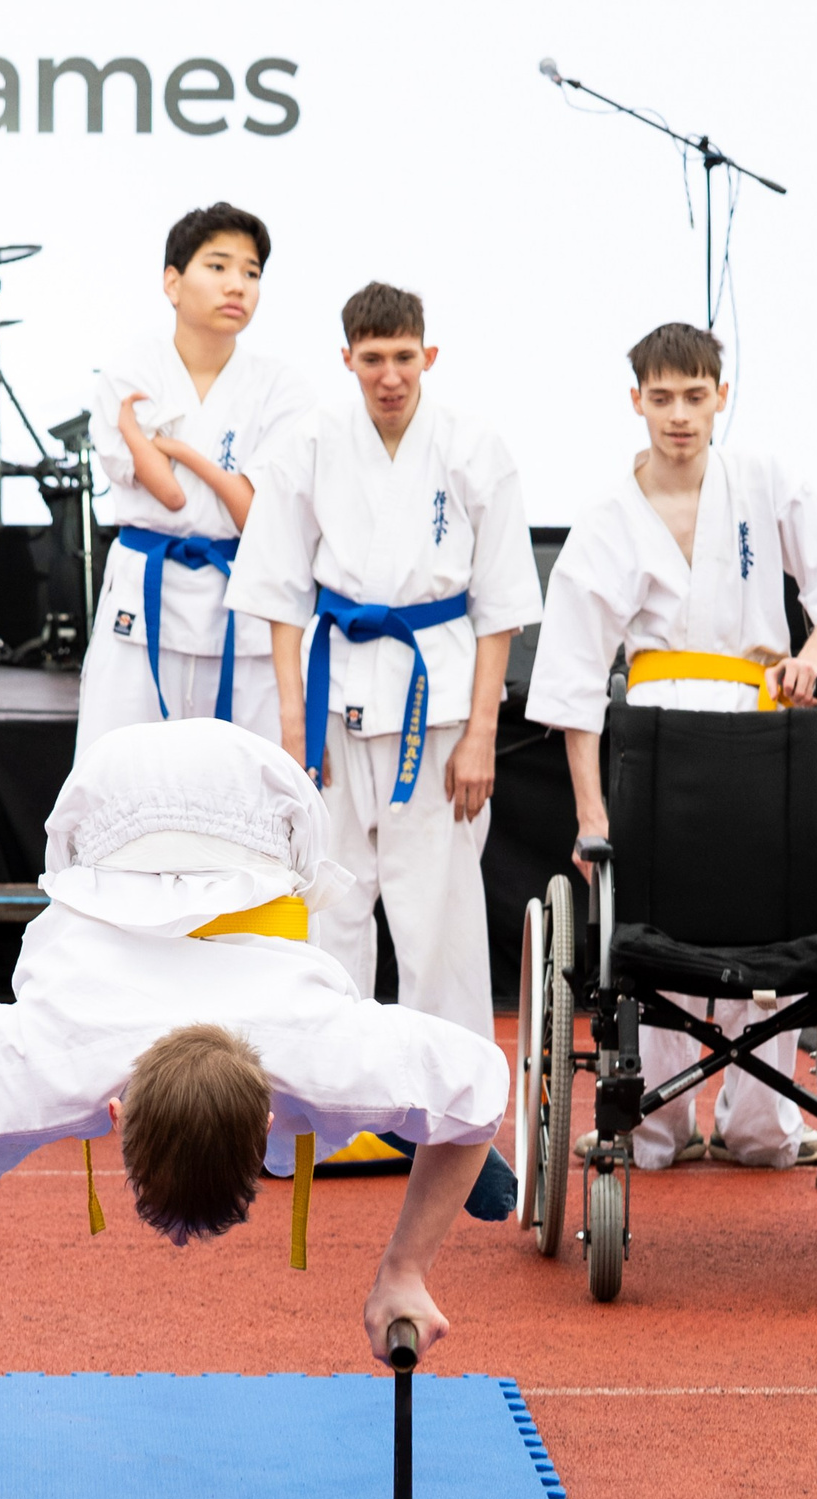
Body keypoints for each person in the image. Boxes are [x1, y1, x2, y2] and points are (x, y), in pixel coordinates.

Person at [0, 718, 516, 1366]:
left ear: (115, 1117)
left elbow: (476, 1087)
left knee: (399, 1088)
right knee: (395, 1093)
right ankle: (428, 1128)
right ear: (120, 1116)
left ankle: (429, 1126)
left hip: (239, 807)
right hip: (117, 814)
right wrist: (403, 1270)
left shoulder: (303, 1048)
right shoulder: (68, 1060)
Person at [524, 322, 817, 1170]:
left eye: (694, 396)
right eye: (661, 398)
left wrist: (809, 660)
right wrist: (588, 813)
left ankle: (764, 1127)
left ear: (722, 397)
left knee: (769, 916)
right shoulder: (609, 516)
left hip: (764, 723)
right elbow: (574, 680)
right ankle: (657, 1122)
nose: (678, 415)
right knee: (662, 928)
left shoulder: (765, 481)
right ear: (635, 401)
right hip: (656, 732)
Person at [227, 282, 541, 1043]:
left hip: (437, 707)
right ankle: (329, 1087)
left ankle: (448, 1103)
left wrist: (480, 734)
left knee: (440, 911)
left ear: (429, 355)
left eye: (404, 357)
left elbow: (499, 606)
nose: (390, 375)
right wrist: (293, 718)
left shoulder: (474, 447)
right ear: (347, 359)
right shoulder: (308, 444)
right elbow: (277, 589)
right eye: (373, 358)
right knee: (329, 902)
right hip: (332, 700)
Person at [76, 202, 320, 755]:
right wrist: (195, 470)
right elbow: (169, 491)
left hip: (241, 598)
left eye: (252, 273)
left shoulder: (283, 389)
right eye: (218, 266)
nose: (238, 285)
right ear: (173, 281)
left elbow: (253, 513)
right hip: (143, 598)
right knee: (118, 771)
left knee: (242, 787)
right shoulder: (131, 368)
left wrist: (177, 447)